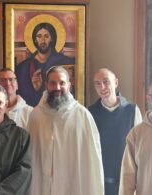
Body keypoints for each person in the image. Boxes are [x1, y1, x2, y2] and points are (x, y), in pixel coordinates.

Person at [28, 66, 104, 195]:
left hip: (72, 184)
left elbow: (93, 159)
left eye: (62, 83)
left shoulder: (82, 115)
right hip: (43, 186)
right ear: (46, 85)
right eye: (52, 83)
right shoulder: (36, 115)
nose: (57, 87)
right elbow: (30, 157)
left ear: (69, 85)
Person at [88, 68, 142, 195]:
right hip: (99, 184)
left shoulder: (132, 111)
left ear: (116, 83)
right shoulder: (90, 113)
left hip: (127, 184)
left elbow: (140, 148)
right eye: (97, 83)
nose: (102, 87)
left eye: (106, 82)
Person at [16, 22, 75, 106]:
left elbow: (72, 91)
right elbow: (21, 94)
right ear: (35, 39)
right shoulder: (24, 67)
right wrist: (34, 88)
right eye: (39, 36)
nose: (43, 40)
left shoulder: (65, 61)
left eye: (46, 36)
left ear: (52, 39)